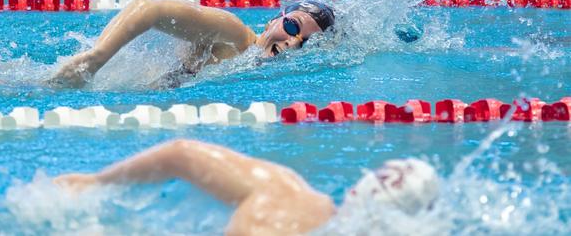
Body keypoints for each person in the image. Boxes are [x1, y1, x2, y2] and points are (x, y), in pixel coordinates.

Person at [54, 139, 439, 236]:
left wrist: (95, 182)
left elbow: (181, 152)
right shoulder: (284, 204)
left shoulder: (285, 196)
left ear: (359, 188)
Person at [49, 0, 336, 88]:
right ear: (273, 21)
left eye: (304, 43)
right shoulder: (233, 35)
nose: (292, 42)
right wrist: (96, 58)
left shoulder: (262, 73)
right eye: (291, 26)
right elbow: (149, 6)